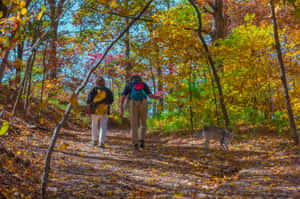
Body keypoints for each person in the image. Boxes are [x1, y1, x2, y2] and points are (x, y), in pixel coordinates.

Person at [120, 75, 162, 150]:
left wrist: (122, 107)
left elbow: (123, 97)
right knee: (143, 122)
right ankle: (142, 140)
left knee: (134, 124)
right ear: (140, 79)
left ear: (131, 79)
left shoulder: (129, 85)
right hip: (143, 102)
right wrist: (158, 97)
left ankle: (135, 143)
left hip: (133, 103)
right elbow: (150, 96)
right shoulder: (143, 84)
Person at [87, 76, 113, 148]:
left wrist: (88, 110)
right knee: (103, 126)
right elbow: (111, 101)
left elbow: (89, 101)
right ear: (104, 83)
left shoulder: (94, 89)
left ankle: (94, 141)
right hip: (105, 111)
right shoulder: (108, 90)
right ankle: (101, 143)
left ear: (96, 82)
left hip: (95, 110)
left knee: (94, 125)